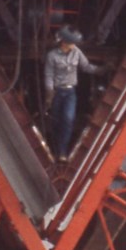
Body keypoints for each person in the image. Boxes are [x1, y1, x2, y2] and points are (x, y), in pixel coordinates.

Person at [43, 25, 102, 161]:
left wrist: (101, 69)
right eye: (72, 43)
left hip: (70, 92)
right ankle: (56, 147)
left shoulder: (77, 52)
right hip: (57, 92)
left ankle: (62, 152)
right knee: (56, 121)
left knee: (68, 120)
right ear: (64, 42)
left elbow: (86, 67)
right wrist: (49, 94)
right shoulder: (52, 56)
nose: (74, 45)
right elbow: (49, 75)